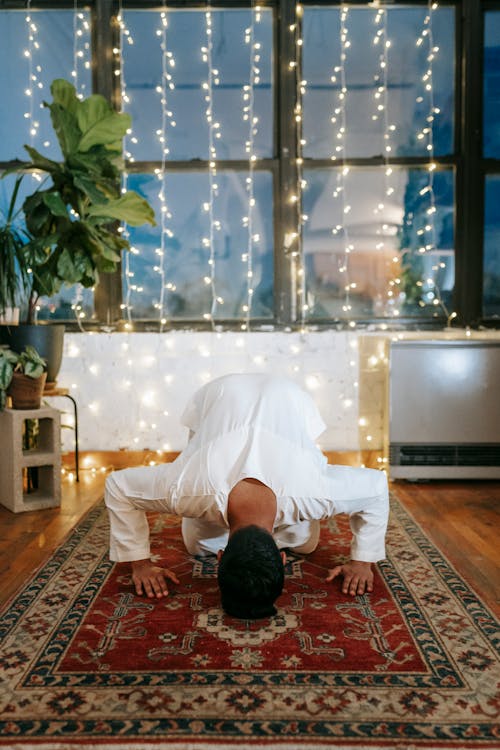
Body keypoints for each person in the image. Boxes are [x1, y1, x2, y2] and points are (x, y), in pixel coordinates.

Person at [105, 373, 389, 619]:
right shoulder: (189, 487)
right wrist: (138, 563)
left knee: (302, 543)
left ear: (219, 559)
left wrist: (363, 561)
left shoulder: (311, 492)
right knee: (200, 544)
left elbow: (377, 486)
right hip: (219, 400)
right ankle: (282, 534)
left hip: (285, 402)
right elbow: (117, 486)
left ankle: (280, 535)